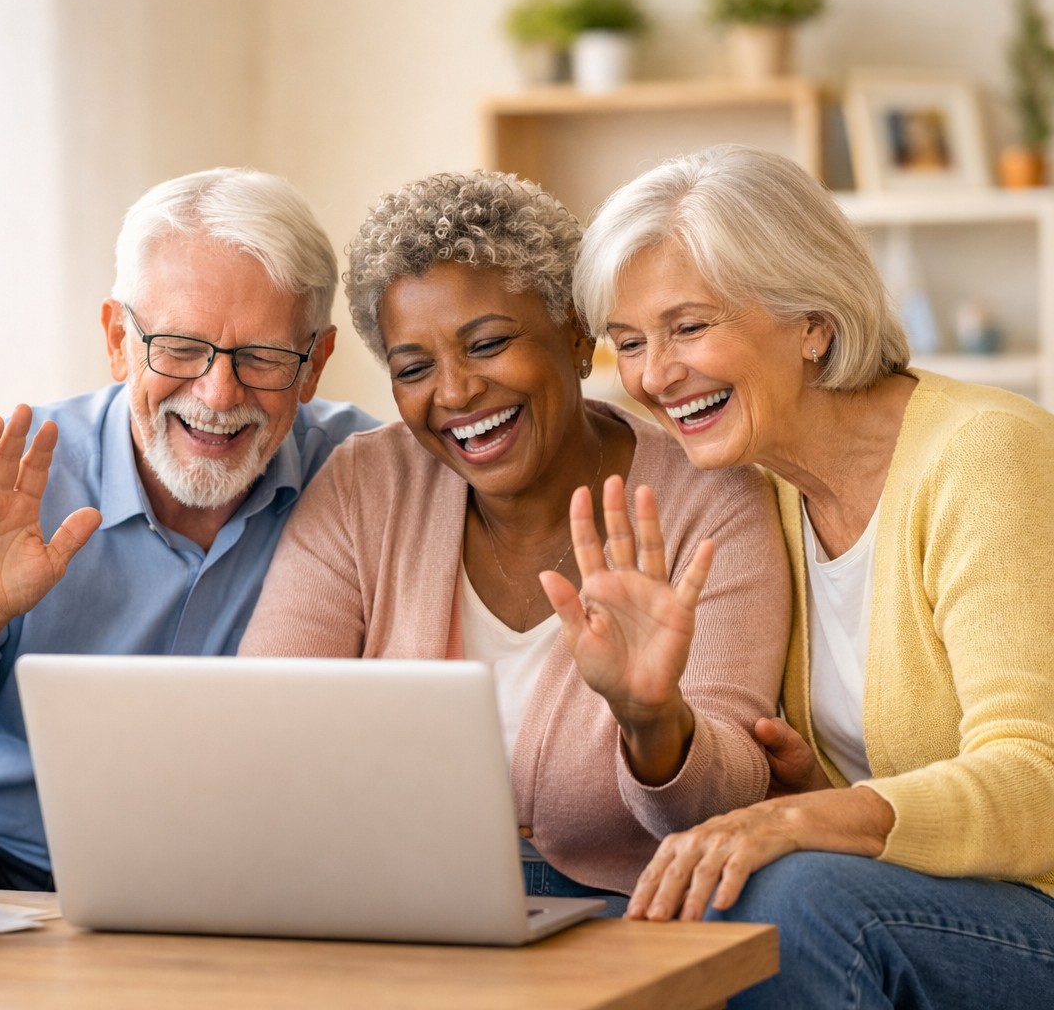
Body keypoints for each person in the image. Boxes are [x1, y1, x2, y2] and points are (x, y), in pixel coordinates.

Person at [0, 168, 378, 891]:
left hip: (246, 883)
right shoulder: (15, 480)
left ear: (314, 366)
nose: (218, 395)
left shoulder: (364, 479)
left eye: (261, 358)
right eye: (180, 348)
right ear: (118, 340)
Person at [571, 144, 1054, 1006]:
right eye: (629, 342)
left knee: (790, 899)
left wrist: (808, 817)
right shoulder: (762, 493)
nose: (653, 375)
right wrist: (798, 785)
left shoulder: (984, 455)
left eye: (689, 326)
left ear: (813, 322)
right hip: (934, 910)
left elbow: (1037, 781)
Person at [239, 170, 789, 910]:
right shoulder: (366, 486)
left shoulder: (712, 500)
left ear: (575, 334)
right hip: (391, 901)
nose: (457, 392)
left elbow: (723, 809)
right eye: (414, 368)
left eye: (488, 343)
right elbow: (264, 722)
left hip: (628, 913)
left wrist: (653, 719)